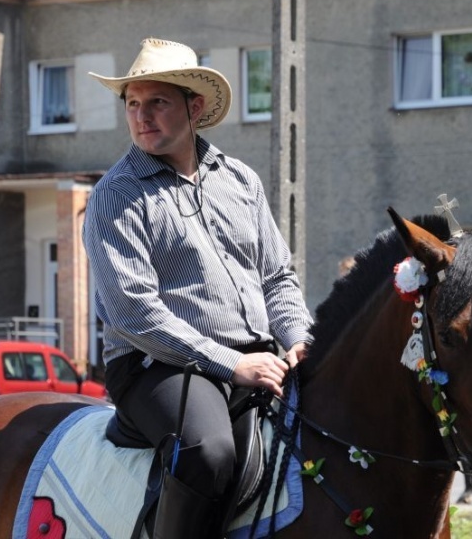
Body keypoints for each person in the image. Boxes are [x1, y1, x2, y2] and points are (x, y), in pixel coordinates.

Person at [83, 38, 313, 538]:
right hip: (153, 365)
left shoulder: (241, 181)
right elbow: (134, 315)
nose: (142, 116)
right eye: (133, 103)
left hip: (259, 355)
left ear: (196, 106)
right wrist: (232, 364)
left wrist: (298, 338)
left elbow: (277, 277)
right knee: (207, 453)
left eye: (157, 102)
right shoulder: (115, 195)